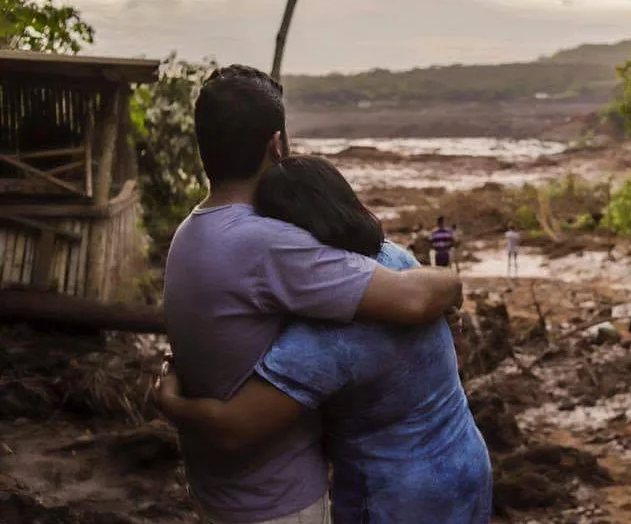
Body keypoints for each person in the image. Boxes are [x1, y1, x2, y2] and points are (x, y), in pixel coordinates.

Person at [162, 65, 462, 524]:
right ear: (276, 145)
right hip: (280, 505)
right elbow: (414, 299)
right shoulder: (266, 244)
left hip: (216, 492)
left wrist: (170, 401)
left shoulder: (191, 232)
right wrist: (450, 286)